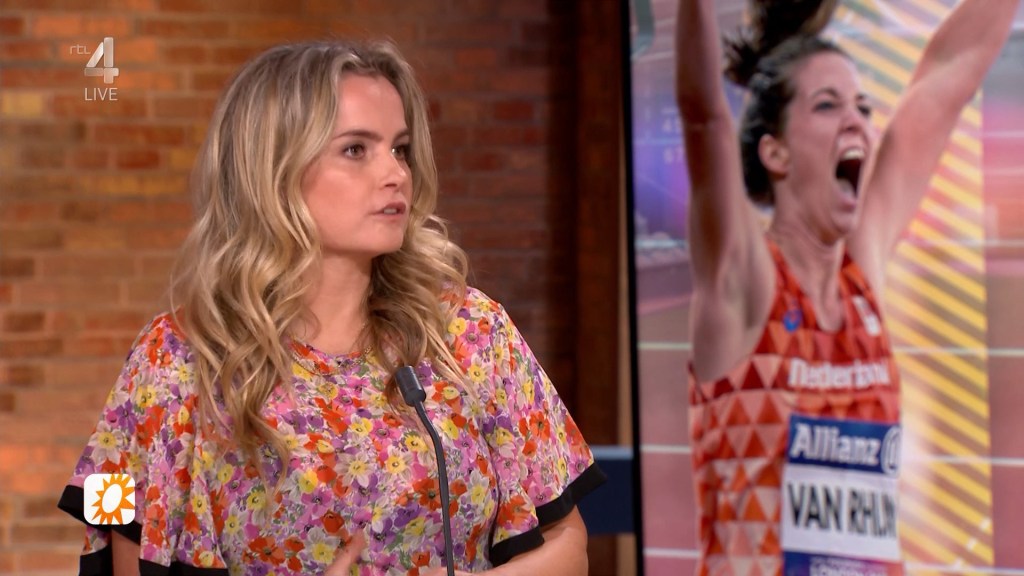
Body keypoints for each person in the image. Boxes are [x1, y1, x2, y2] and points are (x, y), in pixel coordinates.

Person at [57, 39, 604, 576]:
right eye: (356, 150)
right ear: (273, 170)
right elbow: (113, 527)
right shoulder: (170, 356)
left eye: (400, 149)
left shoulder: (472, 332)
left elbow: (569, 545)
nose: (396, 174)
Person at [676, 0, 1018, 573]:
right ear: (775, 151)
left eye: (862, 106)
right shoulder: (745, 283)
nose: (857, 120)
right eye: (828, 105)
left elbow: (947, 78)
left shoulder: (863, 274)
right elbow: (703, 115)